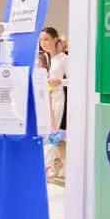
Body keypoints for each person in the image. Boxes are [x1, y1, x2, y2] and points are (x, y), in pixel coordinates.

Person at [39, 27, 69, 182]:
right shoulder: (44, 58)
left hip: (57, 97)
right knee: (47, 132)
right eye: (41, 40)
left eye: (46, 39)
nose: (43, 43)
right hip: (43, 98)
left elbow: (74, 80)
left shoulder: (63, 59)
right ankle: (56, 162)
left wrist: (60, 81)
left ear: (55, 39)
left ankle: (43, 167)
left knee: (52, 133)